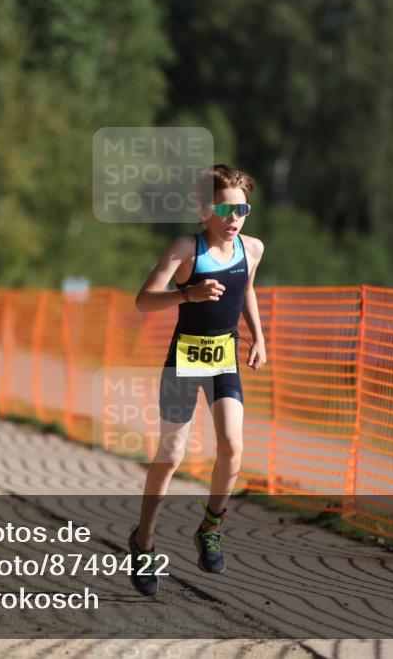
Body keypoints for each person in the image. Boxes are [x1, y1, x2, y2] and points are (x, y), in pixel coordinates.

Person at [127, 164, 266, 596]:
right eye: (225, 209)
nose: (234, 218)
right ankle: (144, 540)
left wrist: (259, 337)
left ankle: (210, 527)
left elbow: (245, 289)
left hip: (224, 357)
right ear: (205, 208)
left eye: (241, 208)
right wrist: (187, 294)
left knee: (233, 444)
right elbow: (143, 301)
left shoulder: (253, 248)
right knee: (170, 455)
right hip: (184, 358)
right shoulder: (186, 248)